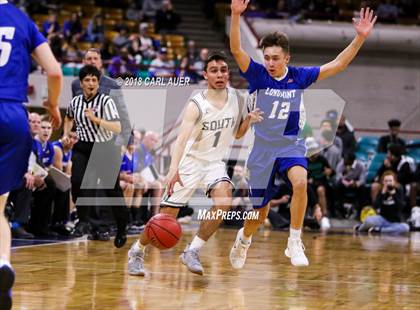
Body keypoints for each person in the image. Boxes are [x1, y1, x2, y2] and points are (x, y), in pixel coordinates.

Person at [229, 0, 377, 267]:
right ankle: (244, 239)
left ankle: (294, 242)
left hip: (290, 144)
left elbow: (338, 64)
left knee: (300, 182)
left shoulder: (299, 76)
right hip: (262, 148)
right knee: (259, 216)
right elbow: (236, 49)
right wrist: (235, 15)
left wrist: (359, 38)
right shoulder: (258, 75)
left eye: (275, 58)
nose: (270, 62)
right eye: (267, 57)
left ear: (287, 58)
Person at [127, 51, 263, 276]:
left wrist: (248, 120)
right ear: (205, 75)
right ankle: (137, 250)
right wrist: (173, 170)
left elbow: (237, 135)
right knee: (166, 217)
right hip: (190, 162)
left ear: (228, 73)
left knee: (224, 202)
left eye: (223, 70)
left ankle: (192, 251)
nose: (219, 75)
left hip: (214, 163)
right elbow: (180, 142)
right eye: (214, 71)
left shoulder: (238, 99)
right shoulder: (196, 104)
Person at [0, 1, 62, 308]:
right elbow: (53, 70)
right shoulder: (21, 19)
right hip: (14, 115)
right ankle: (3, 265)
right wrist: (52, 104)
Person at [64, 65, 128, 248]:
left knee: (112, 191)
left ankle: (122, 227)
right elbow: (68, 117)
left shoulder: (106, 101)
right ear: (81, 83)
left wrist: (96, 119)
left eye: (94, 80)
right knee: (77, 182)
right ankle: (83, 220)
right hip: (83, 147)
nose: (91, 83)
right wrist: (66, 134)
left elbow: (117, 127)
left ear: (98, 83)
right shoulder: (75, 102)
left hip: (105, 148)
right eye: (87, 80)